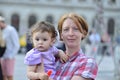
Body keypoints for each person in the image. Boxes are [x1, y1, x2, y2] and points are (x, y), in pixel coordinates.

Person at [53, 13, 98, 80]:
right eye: (66, 29)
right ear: (61, 35)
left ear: (83, 33)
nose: (71, 33)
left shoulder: (88, 63)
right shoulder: (52, 59)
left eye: (75, 29)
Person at [0, 16, 20, 80]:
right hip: (2, 57)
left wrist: (11, 56)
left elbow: (16, 44)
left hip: (9, 57)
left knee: (9, 75)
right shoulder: (1, 30)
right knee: (3, 76)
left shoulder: (11, 30)